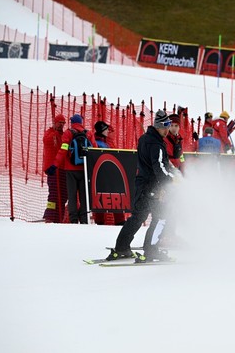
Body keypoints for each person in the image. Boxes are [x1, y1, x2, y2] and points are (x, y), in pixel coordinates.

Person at [107, 109, 177, 262]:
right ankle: (151, 251)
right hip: (154, 188)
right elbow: (159, 168)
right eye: (165, 126)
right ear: (158, 126)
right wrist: (172, 180)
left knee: (138, 217)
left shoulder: (145, 138)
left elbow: (159, 163)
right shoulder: (156, 144)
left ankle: (122, 248)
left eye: (168, 126)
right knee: (160, 217)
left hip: (142, 185)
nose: (167, 130)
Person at [46, 114, 97, 224]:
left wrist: (55, 164)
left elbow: (63, 150)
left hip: (70, 169)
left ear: (72, 122)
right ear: (81, 122)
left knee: (72, 195)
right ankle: (84, 219)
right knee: (84, 195)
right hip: (84, 170)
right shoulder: (88, 133)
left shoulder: (68, 133)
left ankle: (73, 220)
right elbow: (95, 150)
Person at [92, 121, 126, 226]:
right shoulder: (98, 143)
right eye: (106, 129)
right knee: (104, 196)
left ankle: (116, 220)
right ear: (102, 130)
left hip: (107, 173)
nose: (108, 131)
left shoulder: (105, 141)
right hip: (103, 174)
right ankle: (104, 220)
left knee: (112, 196)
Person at [42, 114, 67, 223]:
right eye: (59, 123)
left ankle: (58, 216)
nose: (61, 125)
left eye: (63, 123)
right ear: (55, 123)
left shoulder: (64, 135)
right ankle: (50, 216)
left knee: (63, 194)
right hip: (53, 168)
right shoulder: (49, 133)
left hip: (62, 168)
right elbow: (47, 141)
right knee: (53, 194)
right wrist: (56, 133)